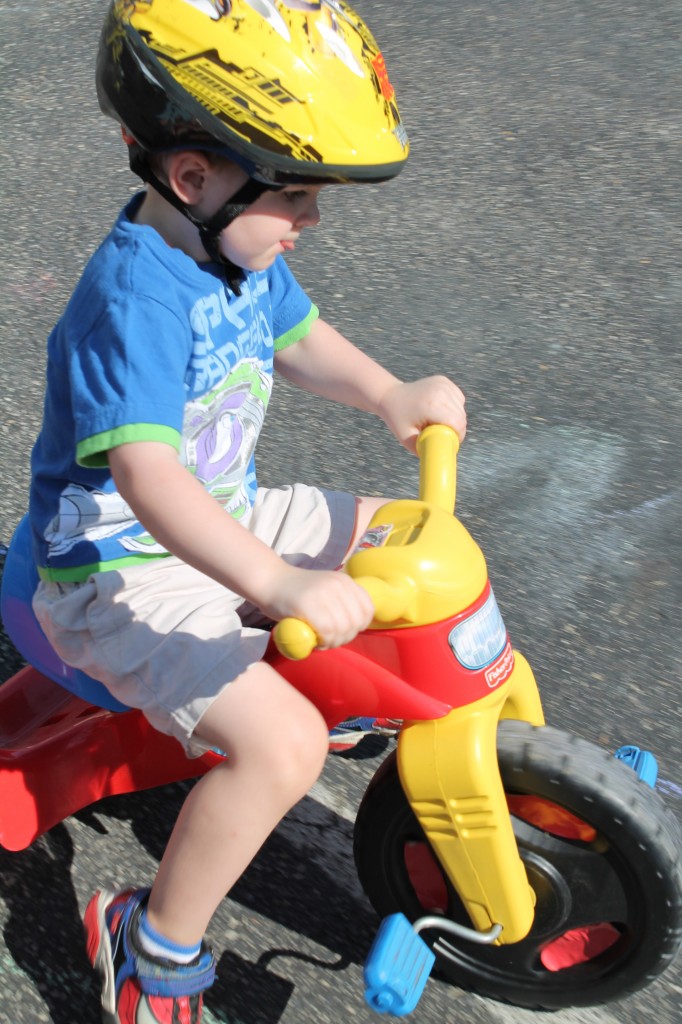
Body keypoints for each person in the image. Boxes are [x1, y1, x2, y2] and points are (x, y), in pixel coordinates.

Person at [28, 1, 467, 1021]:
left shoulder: (234, 251)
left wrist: (390, 394)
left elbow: (297, 337)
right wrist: (275, 580)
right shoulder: (135, 299)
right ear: (194, 178)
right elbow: (149, 478)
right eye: (298, 196)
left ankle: (344, 688)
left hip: (223, 517)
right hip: (118, 572)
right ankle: (151, 945)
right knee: (284, 748)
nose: (311, 220)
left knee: (410, 541)